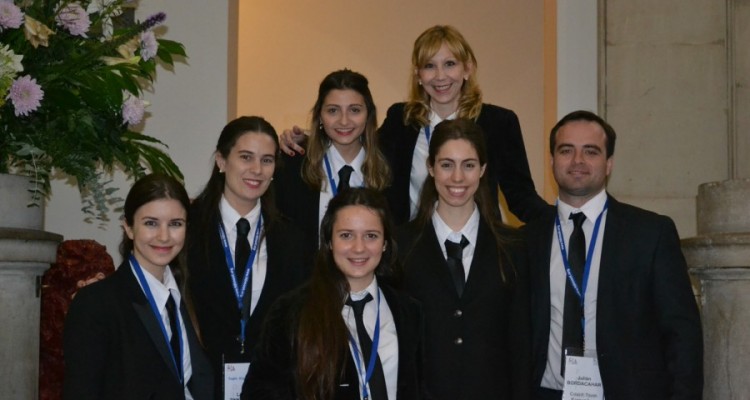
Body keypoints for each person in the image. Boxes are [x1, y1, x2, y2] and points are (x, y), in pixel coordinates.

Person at [280, 25, 547, 225]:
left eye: (450, 64)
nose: (440, 76)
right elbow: (359, 143)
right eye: (429, 66)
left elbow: (520, 195)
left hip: (481, 253)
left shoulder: (499, 123)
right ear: (418, 75)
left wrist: (560, 220)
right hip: (414, 256)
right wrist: (306, 138)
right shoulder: (402, 120)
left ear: (467, 69)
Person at [526, 110, 703, 399]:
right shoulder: (527, 239)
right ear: (551, 161)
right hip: (546, 392)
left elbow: (682, 334)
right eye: (566, 150)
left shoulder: (651, 234)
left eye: (591, 152)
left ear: (609, 164)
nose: (577, 161)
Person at [242, 188, 424, 400]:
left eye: (371, 236)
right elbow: (259, 394)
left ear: (384, 244)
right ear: (329, 242)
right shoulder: (291, 312)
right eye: (346, 235)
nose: (359, 248)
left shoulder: (409, 312)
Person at [396, 118, 530, 399]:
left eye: (468, 165)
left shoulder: (514, 247)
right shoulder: (400, 244)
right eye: (447, 165)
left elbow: (521, 344)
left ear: (482, 170)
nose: (457, 178)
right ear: (431, 168)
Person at [186, 116, 313, 398]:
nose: (256, 170)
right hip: (199, 388)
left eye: (267, 160)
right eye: (246, 157)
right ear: (221, 161)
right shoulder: (186, 230)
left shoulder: (293, 241)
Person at [63, 174, 214, 400]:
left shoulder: (194, 296)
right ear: (129, 228)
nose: (164, 236)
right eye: (151, 223)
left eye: (175, 224)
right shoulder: (96, 303)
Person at [274, 69, 391, 245]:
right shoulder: (293, 166)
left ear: (368, 115)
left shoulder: (389, 168)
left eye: (354, 110)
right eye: (333, 111)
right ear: (320, 115)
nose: (344, 121)